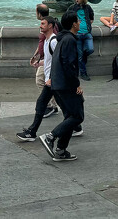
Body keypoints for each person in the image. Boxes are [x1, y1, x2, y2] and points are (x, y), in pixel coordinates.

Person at [40, 11, 84, 162]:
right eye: (78, 21)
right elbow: (68, 64)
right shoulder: (69, 40)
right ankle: (51, 137)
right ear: (73, 24)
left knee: (70, 116)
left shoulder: (62, 39)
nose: (80, 23)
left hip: (58, 84)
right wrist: (76, 84)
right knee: (77, 116)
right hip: (65, 85)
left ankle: (61, 150)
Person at [17, 16, 62, 142]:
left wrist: (52, 78)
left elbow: (60, 61)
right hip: (52, 80)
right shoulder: (47, 40)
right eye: (40, 24)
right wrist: (39, 63)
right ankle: (76, 125)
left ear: (50, 26)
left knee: (41, 103)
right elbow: (50, 60)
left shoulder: (53, 41)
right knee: (64, 105)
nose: (40, 26)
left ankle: (32, 132)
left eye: (43, 24)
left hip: (53, 81)